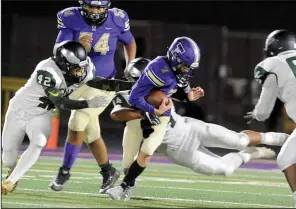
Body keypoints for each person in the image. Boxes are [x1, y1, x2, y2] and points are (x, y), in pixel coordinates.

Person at [106, 57, 288, 201]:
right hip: (177, 149)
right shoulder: (127, 96)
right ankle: (249, 155)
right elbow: (117, 113)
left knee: (238, 139)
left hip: (189, 127)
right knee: (224, 169)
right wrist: (142, 113)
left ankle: (282, 138)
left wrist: (189, 95)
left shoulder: (161, 87)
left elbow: (179, 93)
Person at [1, 41, 113, 195]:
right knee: (7, 158)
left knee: (39, 141)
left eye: (81, 66)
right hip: (18, 111)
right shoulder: (47, 70)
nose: (80, 71)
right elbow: (61, 102)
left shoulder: (85, 68)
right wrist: (88, 103)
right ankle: (13, 169)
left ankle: (11, 181)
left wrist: (123, 88)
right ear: (63, 64)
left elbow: (97, 83)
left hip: (42, 114)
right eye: (75, 67)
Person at [50, 0, 137, 193]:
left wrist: (130, 65)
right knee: (91, 132)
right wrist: (76, 45)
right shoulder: (71, 18)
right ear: (83, 6)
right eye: (92, 7)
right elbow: (58, 51)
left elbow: (129, 41)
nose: (96, 11)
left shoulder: (117, 19)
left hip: (104, 84)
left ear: (107, 7)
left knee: (77, 122)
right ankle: (108, 171)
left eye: (100, 7)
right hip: (80, 83)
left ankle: (64, 172)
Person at [106, 37, 205, 199]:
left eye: (188, 67)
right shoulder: (156, 71)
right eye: (184, 66)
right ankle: (129, 181)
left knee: (147, 152)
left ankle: (124, 186)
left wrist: (189, 96)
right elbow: (127, 104)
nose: (186, 71)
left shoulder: (175, 72)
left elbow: (177, 90)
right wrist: (148, 111)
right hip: (140, 115)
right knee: (127, 162)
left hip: (159, 115)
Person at [244, 29, 296, 207]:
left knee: (286, 160)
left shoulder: (273, 63)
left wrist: (257, 114)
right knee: (285, 158)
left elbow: (264, 111)